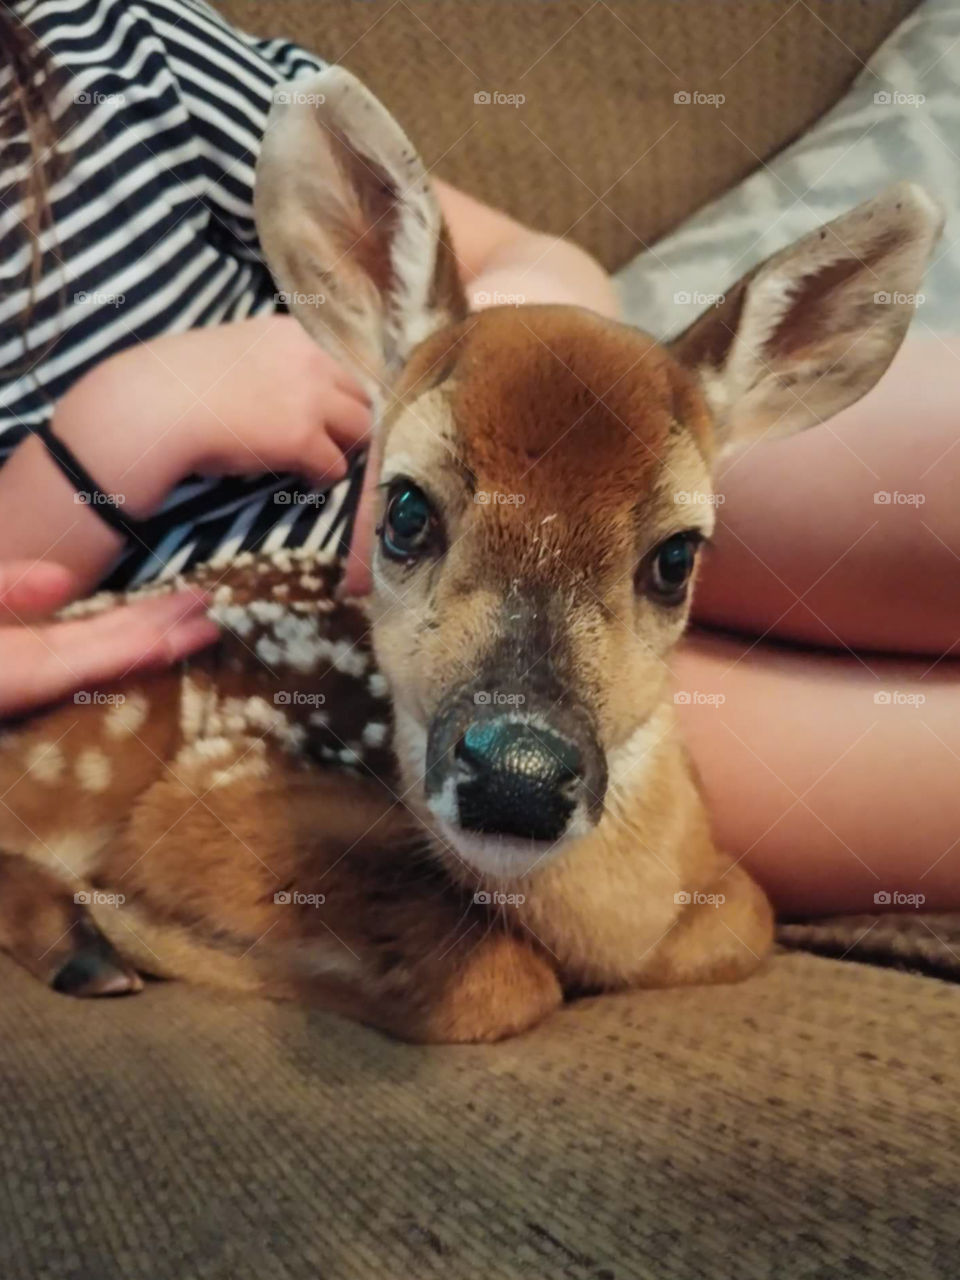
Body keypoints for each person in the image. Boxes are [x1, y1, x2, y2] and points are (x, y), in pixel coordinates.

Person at [1, 1, 956, 917]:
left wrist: (471, 370)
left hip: (584, 450)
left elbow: (536, 253)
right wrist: (115, 434)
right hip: (312, 663)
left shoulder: (114, 45)